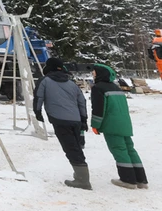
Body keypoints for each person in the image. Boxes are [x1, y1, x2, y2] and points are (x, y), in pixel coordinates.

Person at [33, 57, 90, 190]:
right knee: (76, 147)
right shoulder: (71, 83)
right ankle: (80, 175)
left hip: (59, 119)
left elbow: (38, 97)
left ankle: (83, 180)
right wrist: (83, 119)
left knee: (71, 149)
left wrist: (37, 112)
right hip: (75, 120)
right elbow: (81, 101)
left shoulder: (45, 81)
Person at [91, 63, 148, 190]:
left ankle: (128, 180)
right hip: (125, 124)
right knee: (130, 150)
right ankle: (141, 180)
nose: (92, 74)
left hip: (111, 125)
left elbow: (99, 108)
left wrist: (95, 124)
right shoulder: (117, 88)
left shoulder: (98, 88)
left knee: (119, 150)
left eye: (94, 72)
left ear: (100, 73)